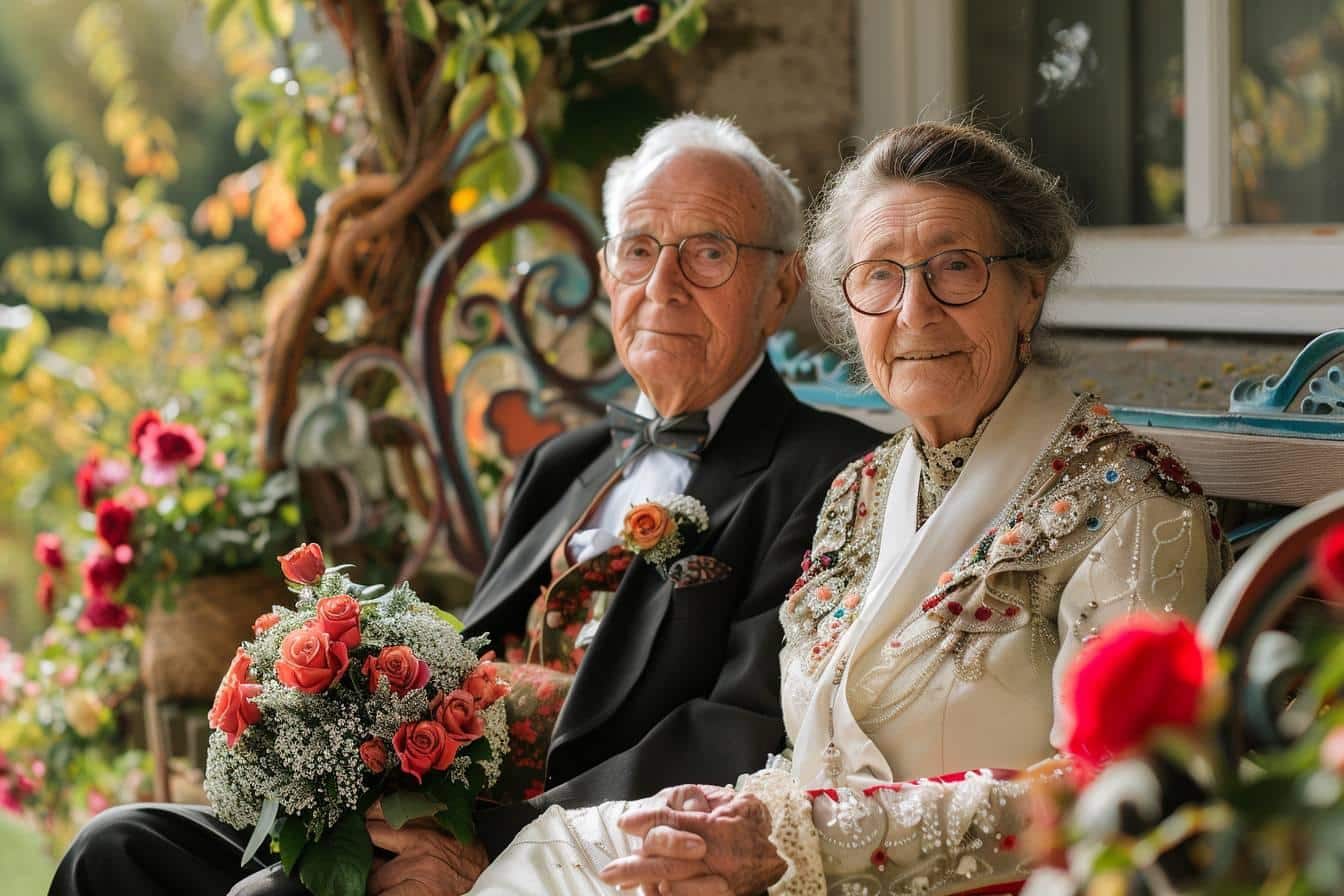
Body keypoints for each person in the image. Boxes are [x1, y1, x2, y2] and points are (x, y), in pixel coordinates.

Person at [48, 115, 881, 896]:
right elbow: (472, 658)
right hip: (418, 809)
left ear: (780, 287)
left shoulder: (828, 471)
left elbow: (740, 729)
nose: (661, 285)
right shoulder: (563, 463)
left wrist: (498, 843)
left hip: (574, 843)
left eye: (708, 252)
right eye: (638, 249)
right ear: (605, 272)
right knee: (115, 850)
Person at [467, 121, 1232, 895]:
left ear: (1029, 289)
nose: (914, 312)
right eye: (880, 276)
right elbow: (810, 756)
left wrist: (802, 843)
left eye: (955, 268)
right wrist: (713, 826)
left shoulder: (1134, 505)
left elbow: (1120, 787)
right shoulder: (857, 491)